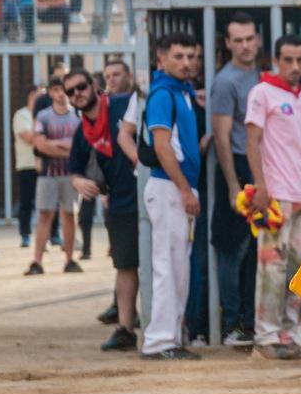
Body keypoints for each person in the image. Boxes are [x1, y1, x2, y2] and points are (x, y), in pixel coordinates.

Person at [242, 34, 301, 360]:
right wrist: (261, 187)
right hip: (276, 195)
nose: (294, 66)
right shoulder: (261, 93)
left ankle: (288, 330)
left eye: (299, 60)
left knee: (298, 268)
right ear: (276, 59)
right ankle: (265, 335)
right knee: (272, 268)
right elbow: (252, 142)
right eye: (288, 60)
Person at [141, 31, 203, 360]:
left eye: (190, 56)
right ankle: (159, 342)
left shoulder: (182, 92)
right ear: (161, 59)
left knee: (178, 266)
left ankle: (171, 338)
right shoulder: (163, 94)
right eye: (178, 57)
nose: (186, 63)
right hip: (169, 187)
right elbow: (161, 146)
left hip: (177, 187)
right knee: (168, 264)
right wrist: (183, 188)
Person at [69, 68, 138, 352]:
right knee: (124, 265)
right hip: (120, 202)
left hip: (149, 192)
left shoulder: (123, 104)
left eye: (82, 87)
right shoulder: (83, 132)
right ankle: (125, 329)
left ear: (94, 86)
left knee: (161, 265)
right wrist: (79, 182)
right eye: (71, 91)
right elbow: (74, 168)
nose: (78, 94)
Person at [210, 17, 266, 349]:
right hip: (236, 166)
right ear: (228, 44)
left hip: (258, 167)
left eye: (249, 38)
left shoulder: (261, 77)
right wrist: (232, 185)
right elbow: (221, 136)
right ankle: (232, 323)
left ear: (257, 40)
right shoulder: (225, 81)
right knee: (233, 249)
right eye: (238, 40)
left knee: (257, 248)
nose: (245, 45)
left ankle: (248, 318)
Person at [27, 78, 81, 276]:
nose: (61, 94)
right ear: (50, 93)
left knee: (70, 215)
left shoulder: (77, 116)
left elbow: (81, 148)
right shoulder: (43, 116)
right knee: (44, 215)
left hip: (71, 174)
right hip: (48, 174)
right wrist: (68, 149)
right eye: (56, 90)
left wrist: (54, 144)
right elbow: (40, 145)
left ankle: (69, 260)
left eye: (64, 90)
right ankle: (37, 261)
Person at [11, 84, 41, 248]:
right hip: (26, 165)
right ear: (30, 97)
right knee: (26, 202)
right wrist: (47, 139)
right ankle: (25, 235)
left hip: (44, 164)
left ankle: (54, 234)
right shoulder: (21, 115)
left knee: (49, 203)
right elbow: (28, 137)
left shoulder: (45, 114)